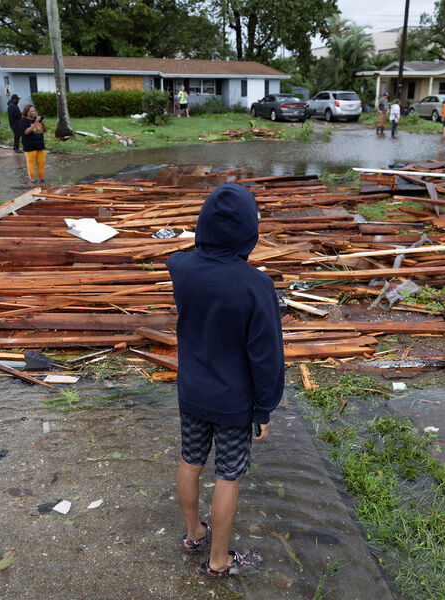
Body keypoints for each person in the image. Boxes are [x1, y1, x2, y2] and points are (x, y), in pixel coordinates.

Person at [166, 183, 284, 578]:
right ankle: (218, 561)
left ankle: (193, 532)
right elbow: (265, 356)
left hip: (192, 391)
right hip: (233, 401)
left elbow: (177, 256)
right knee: (227, 474)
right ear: (249, 233)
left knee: (190, 459)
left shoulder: (181, 268)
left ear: (204, 226)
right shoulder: (256, 287)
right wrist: (265, 406)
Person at [19, 104, 46, 184]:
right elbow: (26, 132)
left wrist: (43, 124)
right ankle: (33, 180)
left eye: (34, 111)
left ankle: (42, 180)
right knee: (31, 163)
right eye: (32, 111)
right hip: (29, 146)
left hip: (40, 145)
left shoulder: (38, 120)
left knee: (41, 163)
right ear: (27, 112)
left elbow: (43, 130)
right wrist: (35, 123)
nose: (34, 113)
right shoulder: (23, 121)